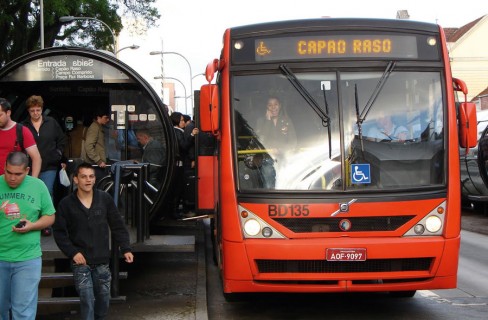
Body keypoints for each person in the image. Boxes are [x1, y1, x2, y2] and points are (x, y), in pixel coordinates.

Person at [53, 162, 134, 320]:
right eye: (83, 177)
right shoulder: (66, 204)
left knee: (104, 299)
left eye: (91, 176)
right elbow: (59, 233)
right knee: (87, 300)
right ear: (75, 179)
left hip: (102, 260)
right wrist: (73, 252)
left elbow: (117, 224)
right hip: (80, 262)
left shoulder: (104, 199)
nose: (88, 180)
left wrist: (126, 248)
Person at [0, 151, 55, 319]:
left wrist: (33, 225)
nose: (12, 178)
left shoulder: (38, 186)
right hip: (1, 256)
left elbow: (50, 216)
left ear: (27, 170)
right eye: (9, 172)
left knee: (23, 313)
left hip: (28, 258)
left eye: (18, 174)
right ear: (4, 168)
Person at [23, 95, 67, 236]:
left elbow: (61, 139)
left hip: (49, 166)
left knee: (47, 192)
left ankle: (46, 224)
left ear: (42, 109)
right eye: (32, 111)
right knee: (30, 193)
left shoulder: (51, 122)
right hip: (29, 166)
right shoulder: (23, 126)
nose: (36, 113)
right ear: (28, 111)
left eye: (38, 110)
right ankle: (31, 221)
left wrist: (58, 154)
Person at [255, 96, 297, 188]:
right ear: (266, 107)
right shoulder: (261, 121)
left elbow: (293, 140)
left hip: (284, 157)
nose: (273, 107)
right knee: (269, 184)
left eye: (276, 104)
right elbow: (261, 140)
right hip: (267, 158)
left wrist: (283, 150)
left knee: (286, 184)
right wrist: (268, 121)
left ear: (280, 106)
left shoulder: (287, 120)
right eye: (270, 105)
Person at [0, 97, 42, 178]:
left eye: (0, 115)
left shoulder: (22, 131)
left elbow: (36, 158)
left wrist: (33, 181)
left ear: (8, 113)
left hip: (15, 181)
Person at [169, 112, 198, 219]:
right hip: (180, 163)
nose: (183, 122)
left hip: (180, 163)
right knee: (178, 188)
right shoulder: (177, 132)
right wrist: (191, 135)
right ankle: (175, 211)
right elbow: (184, 146)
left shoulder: (178, 131)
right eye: (181, 120)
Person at [81, 108, 111, 182]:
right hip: (95, 165)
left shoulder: (98, 127)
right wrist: (98, 160)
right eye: (106, 117)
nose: (108, 120)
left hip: (97, 164)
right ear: (98, 117)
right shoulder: (94, 128)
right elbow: (88, 146)